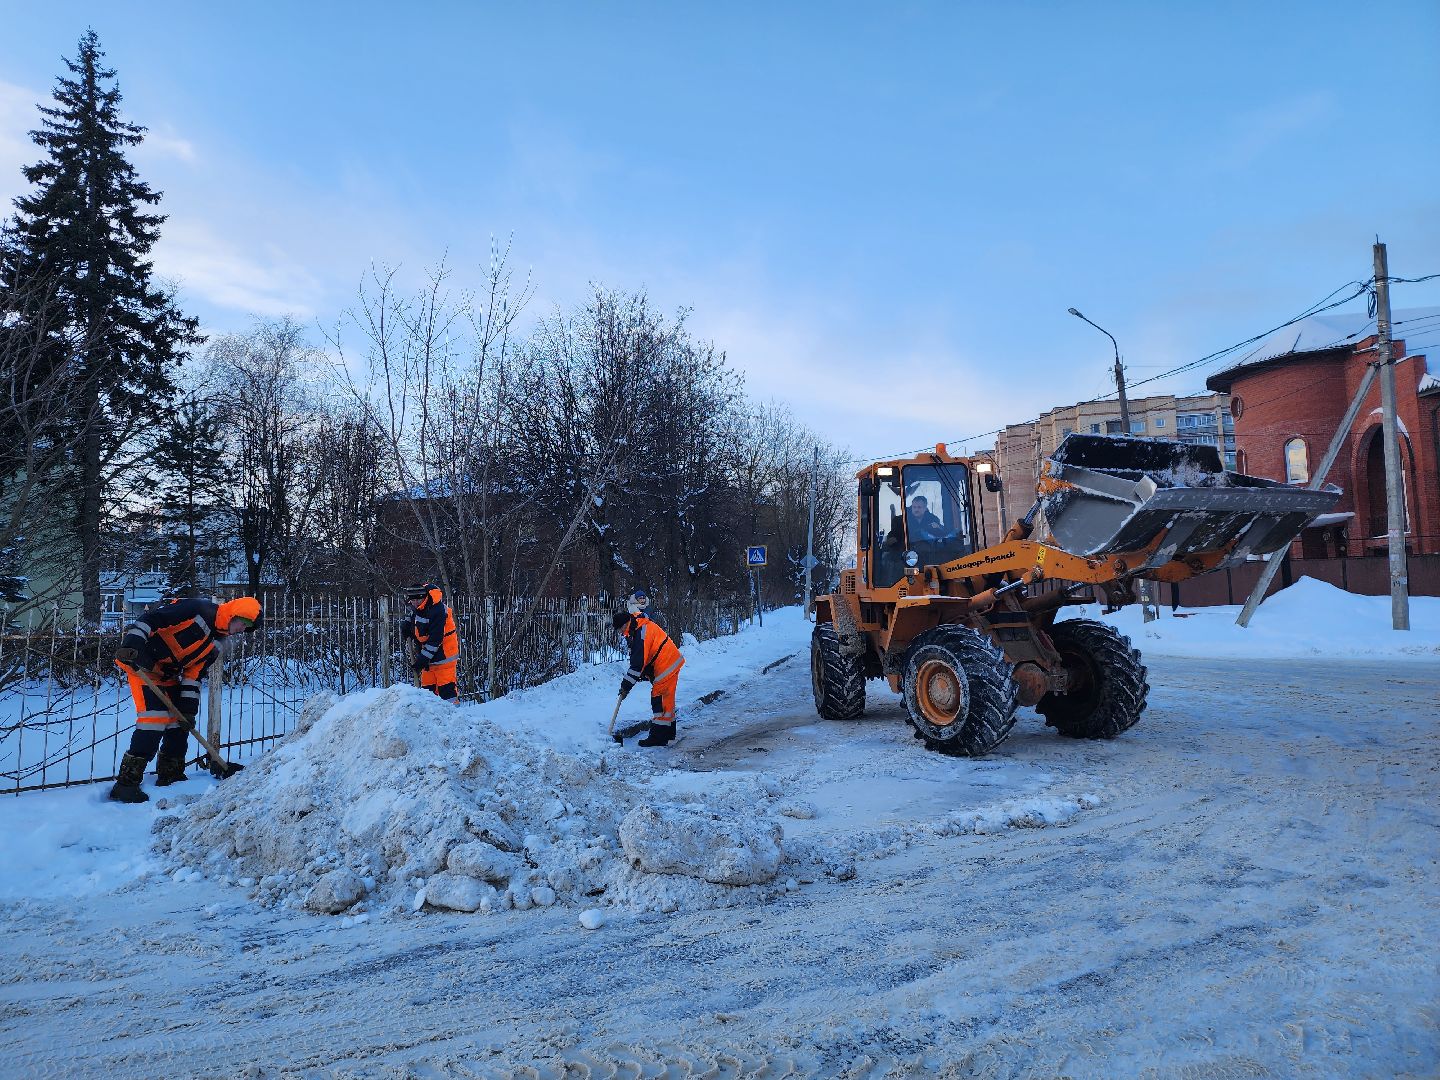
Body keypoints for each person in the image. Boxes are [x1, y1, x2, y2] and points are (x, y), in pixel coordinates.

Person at [109, 595, 262, 803]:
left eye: (247, 628)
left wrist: (188, 710)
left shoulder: (217, 644)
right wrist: (134, 641)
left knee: (179, 723)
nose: (242, 630)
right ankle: (126, 784)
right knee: (154, 719)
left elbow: (194, 675)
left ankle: (170, 775)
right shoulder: (196, 608)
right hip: (140, 663)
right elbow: (152, 619)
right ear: (234, 614)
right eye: (243, 623)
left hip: (166, 674)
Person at [613, 591, 685, 747]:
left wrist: (625, 687)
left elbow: (637, 665)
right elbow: (642, 659)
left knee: (658, 699)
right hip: (669, 660)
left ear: (624, 625)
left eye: (619, 629)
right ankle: (668, 733)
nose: (619, 633)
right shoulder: (636, 627)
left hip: (666, 664)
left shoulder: (640, 633)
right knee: (667, 700)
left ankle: (658, 738)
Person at [405, 582, 459, 702]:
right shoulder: (417, 605)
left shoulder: (437, 610)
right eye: (411, 601)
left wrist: (423, 659)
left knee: (446, 691)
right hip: (429, 656)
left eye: (416, 601)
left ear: (423, 598)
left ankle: (452, 717)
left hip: (444, 656)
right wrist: (407, 625)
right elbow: (412, 614)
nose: (413, 603)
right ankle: (431, 720)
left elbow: (436, 638)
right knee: (427, 693)